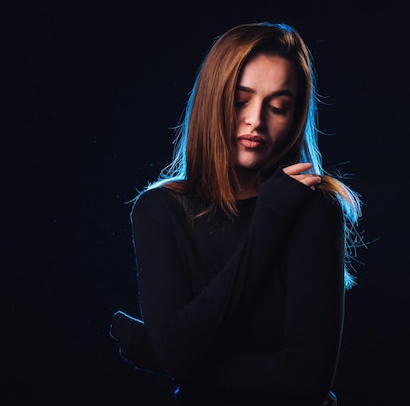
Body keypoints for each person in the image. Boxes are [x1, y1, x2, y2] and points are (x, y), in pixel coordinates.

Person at [110, 21, 364, 406]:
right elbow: (179, 351)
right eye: (240, 100)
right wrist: (175, 355)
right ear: (213, 99)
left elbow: (305, 382)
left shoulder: (314, 208)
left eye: (278, 107)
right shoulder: (160, 210)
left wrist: (159, 353)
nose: (256, 121)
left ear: (295, 118)